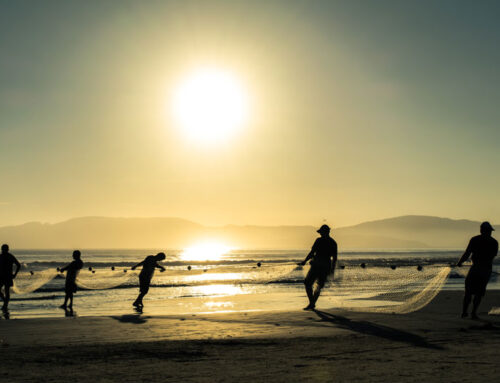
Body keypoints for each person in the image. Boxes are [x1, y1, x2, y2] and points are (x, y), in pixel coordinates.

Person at [457, 222, 498, 319]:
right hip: (485, 270)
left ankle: (465, 312)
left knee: (469, 291)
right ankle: (473, 313)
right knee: (479, 293)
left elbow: (467, 253)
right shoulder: (494, 242)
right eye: (489, 231)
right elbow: (491, 257)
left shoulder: (475, 239)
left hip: (475, 269)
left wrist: (460, 262)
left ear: (481, 230)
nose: (490, 232)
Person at [298, 225, 338, 310]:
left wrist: (305, 261)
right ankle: (312, 303)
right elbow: (334, 258)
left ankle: (312, 303)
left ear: (324, 232)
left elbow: (312, 252)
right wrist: (332, 269)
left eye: (321, 232)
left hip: (316, 265)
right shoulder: (333, 242)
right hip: (326, 266)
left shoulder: (319, 240)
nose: (320, 234)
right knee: (319, 286)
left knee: (308, 283)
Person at [0, 244, 21, 311]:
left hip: (6, 276)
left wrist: (15, 274)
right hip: (3, 276)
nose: (3, 251)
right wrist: (14, 274)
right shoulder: (8, 256)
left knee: (7, 291)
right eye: (3, 249)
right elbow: (18, 265)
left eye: (4, 249)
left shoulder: (9, 256)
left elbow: (18, 265)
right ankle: (5, 302)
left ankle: (5, 305)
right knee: (6, 291)